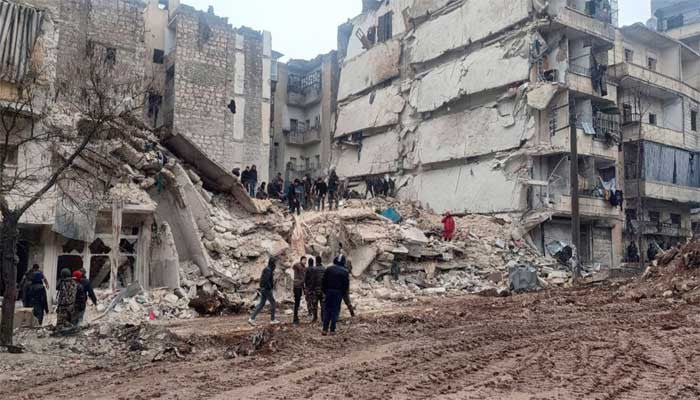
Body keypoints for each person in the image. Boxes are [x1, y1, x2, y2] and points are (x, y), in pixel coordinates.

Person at [322, 255, 350, 335]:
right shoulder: (345, 272)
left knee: (327, 310)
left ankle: (324, 329)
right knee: (335, 310)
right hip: (338, 293)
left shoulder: (329, 269)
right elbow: (346, 286)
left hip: (328, 291)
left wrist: (325, 291)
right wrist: (343, 294)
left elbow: (323, 281)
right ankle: (332, 330)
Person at [249, 258, 279, 326]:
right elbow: (266, 280)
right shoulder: (268, 270)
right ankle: (273, 319)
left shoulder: (268, 269)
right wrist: (270, 287)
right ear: (272, 263)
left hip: (263, 289)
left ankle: (251, 319)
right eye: (274, 262)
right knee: (273, 303)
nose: (275, 264)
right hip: (266, 289)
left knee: (262, 304)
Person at [305, 255, 326, 323]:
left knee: (315, 304)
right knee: (323, 304)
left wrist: (310, 289)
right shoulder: (324, 268)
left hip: (315, 289)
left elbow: (312, 280)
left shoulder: (314, 269)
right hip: (323, 289)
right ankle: (323, 318)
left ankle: (315, 318)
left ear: (316, 261)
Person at [292, 256, 307, 325]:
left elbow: (303, 279)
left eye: (305, 260)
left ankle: (296, 317)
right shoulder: (298, 265)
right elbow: (294, 266)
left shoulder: (304, 268)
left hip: (300, 286)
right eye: (304, 260)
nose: (305, 261)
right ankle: (295, 318)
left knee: (297, 302)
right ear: (301, 260)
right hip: (297, 286)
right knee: (297, 302)